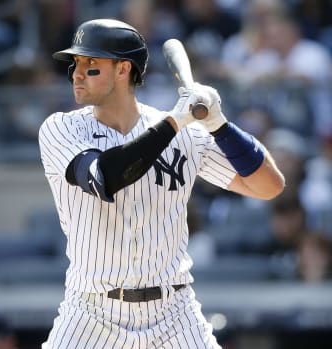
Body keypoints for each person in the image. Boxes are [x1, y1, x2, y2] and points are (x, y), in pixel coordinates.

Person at [38, 18, 284, 349]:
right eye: (76, 64)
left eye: (90, 64)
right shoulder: (62, 129)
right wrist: (175, 122)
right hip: (93, 313)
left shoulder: (185, 135)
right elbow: (104, 177)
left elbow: (268, 186)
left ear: (123, 69)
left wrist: (220, 125)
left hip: (174, 313)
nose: (76, 74)